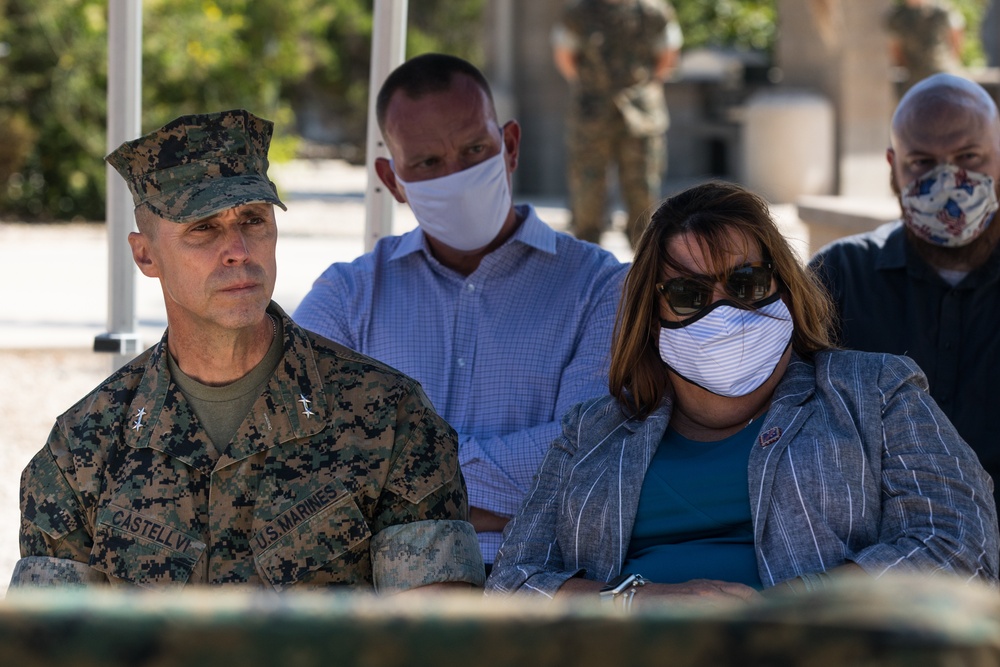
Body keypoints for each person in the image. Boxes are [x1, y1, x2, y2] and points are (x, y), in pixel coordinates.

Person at [11, 109, 484, 591]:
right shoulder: (83, 447)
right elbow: (47, 646)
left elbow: (437, 641)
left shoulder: (389, 418)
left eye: (254, 219)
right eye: (203, 228)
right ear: (145, 255)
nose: (238, 248)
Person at [486, 181, 998, 608]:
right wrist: (641, 602)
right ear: (651, 315)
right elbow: (511, 586)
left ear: (784, 287)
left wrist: (793, 610)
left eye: (746, 283)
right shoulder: (593, 431)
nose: (723, 311)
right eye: (687, 294)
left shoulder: (877, 395)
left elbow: (957, 541)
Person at [293, 53, 627, 570]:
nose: (456, 174)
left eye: (474, 149)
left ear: (509, 146)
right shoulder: (346, 297)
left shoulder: (601, 287)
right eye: (427, 163)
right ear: (392, 179)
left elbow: (590, 459)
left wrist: (400, 489)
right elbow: (306, 461)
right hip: (380, 599)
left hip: (538, 587)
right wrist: (503, 493)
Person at [810, 73, 1000, 512]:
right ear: (893, 166)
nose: (948, 181)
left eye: (969, 156)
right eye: (922, 163)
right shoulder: (841, 276)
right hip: (883, 548)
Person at [551, 0, 682, 247]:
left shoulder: (653, 12)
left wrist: (644, 87)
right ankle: (586, 255)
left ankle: (645, 262)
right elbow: (565, 56)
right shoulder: (579, 13)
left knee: (643, 190)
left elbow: (667, 55)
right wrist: (592, 86)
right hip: (592, 115)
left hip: (640, 114)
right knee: (587, 193)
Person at [884, 0, 964, 94]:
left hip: (944, 73)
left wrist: (953, 61)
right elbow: (896, 50)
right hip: (917, 77)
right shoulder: (898, 17)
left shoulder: (942, 10)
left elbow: (956, 36)